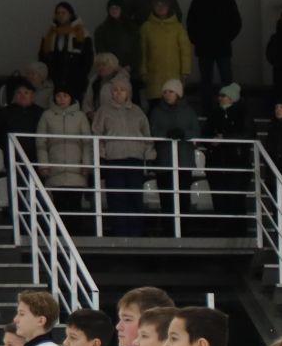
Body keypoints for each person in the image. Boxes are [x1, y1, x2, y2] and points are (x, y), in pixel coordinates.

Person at [92, 77, 152, 235]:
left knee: (135, 196)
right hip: (114, 159)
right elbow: (96, 135)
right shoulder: (103, 111)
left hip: (135, 159)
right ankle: (120, 232)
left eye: (122, 90)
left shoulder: (137, 111)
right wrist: (102, 155)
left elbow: (147, 135)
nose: (118, 93)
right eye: (115, 90)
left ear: (128, 92)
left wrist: (148, 155)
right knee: (116, 197)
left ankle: (136, 233)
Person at [149, 79, 200, 228]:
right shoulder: (157, 111)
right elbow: (152, 131)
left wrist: (183, 134)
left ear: (178, 93)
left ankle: (184, 229)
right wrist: (166, 134)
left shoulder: (188, 111)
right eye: (165, 92)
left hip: (183, 162)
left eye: (170, 91)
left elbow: (196, 131)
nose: (167, 95)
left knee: (183, 197)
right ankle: (168, 228)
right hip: (164, 162)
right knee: (166, 197)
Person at [186, 0, 242, 93]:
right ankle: (208, 110)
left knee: (226, 79)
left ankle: (228, 109)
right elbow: (190, 22)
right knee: (206, 81)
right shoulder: (198, 0)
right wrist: (196, 39)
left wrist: (225, 38)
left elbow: (236, 23)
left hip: (221, 47)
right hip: (204, 47)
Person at [201, 83, 251, 219]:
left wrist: (224, 138)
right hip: (217, 164)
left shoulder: (243, 114)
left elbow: (249, 134)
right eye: (219, 96)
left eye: (223, 96)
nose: (220, 98)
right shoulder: (214, 114)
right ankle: (223, 233)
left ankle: (238, 234)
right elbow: (203, 135)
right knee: (220, 203)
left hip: (237, 164)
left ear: (232, 98)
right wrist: (211, 141)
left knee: (236, 203)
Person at [36, 87, 93, 204]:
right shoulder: (46, 115)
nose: (62, 99)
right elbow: (41, 142)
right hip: (54, 171)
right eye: (58, 96)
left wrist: (86, 165)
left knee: (75, 209)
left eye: (65, 96)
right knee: (58, 208)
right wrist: (43, 165)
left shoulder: (80, 116)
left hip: (77, 173)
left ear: (71, 98)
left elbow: (87, 143)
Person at [138, 0, 193, 98]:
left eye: (163, 5)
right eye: (157, 5)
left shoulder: (178, 27)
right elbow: (142, 51)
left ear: (169, 7)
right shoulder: (146, 27)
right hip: (153, 75)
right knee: (154, 106)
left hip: (173, 74)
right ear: (153, 7)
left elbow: (185, 51)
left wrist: (185, 71)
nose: (160, 7)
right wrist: (143, 71)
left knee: (172, 101)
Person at [40, 2, 92, 100]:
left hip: (75, 80)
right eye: (58, 13)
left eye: (63, 13)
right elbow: (42, 56)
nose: (60, 15)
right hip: (54, 79)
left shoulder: (82, 33)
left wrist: (81, 76)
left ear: (70, 14)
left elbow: (88, 59)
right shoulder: (49, 33)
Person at [93, 0, 140, 89]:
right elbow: (101, 51)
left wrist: (130, 66)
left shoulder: (132, 28)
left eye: (117, 8)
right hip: (109, 73)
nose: (114, 11)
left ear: (122, 9)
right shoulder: (101, 30)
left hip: (130, 72)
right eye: (111, 8)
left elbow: (137, 50)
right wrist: (114, 66)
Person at [0, 82, 43, 157]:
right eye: (19, 92)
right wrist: (7, 148)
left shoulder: (41, 113)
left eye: (26, 92)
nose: (23, 96)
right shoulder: (4, 112)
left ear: (32, 95)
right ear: (14, 95)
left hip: (36, 158)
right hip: (12, 157)